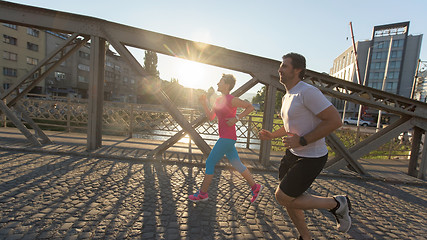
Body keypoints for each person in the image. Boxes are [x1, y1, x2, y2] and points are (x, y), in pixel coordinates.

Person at [258, 53, 351, 239]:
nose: (280, 70)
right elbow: (290, 126)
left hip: (311, 157)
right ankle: (306, 238)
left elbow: (334, 121)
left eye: (284, 66)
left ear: (297, 70)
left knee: (282, 197)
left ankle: (336, 204)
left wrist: (302, 141)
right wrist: (273, 135)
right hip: (292, 155)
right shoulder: (287, 96)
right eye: (280, 66)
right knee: (290, 200)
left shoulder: (308, 92)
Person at [189, 74, 263, 203]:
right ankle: (255, 187)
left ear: (227, 85)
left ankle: (203, 194)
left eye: (220, 82)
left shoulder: (231, 99)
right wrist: (204, 104)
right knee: (236, 163)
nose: (217, 84)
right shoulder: (218, 100)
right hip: (226, 137)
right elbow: (211, 117)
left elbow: (250, 107)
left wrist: (237, 118)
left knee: (210, 163)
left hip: (227, 138)